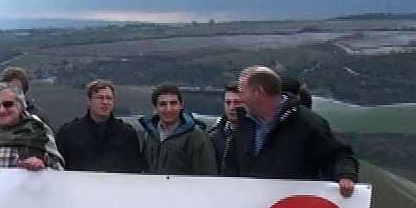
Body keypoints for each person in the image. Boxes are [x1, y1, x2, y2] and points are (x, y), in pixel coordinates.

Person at [226, 66, 357, 196]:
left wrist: (345, 174)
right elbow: (231, 165)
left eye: (242, 93)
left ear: (259, 92)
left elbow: (337, 154)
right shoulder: (244, 123)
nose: (241, 99)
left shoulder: (306, 122)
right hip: (251, 203)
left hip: (293, 203)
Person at [55, 79, 145, 173]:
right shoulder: (69, 132)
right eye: (100, 98)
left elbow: (135, 168)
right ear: (89, 101)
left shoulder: (126, 133)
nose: (105, 102)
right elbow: (58, 166)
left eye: (109, 98)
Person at [137, 84, 217, 176]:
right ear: (155, 107)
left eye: (173, 103)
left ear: (181, 105)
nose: (169, 109)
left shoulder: (196, 137)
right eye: (163, 104)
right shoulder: (150, 135)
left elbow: (207, 175)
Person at [209, 83, 244, 174]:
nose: (232, 107)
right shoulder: (213, 137)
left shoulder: (255, 136)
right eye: (228, 102)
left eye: (236, 102)